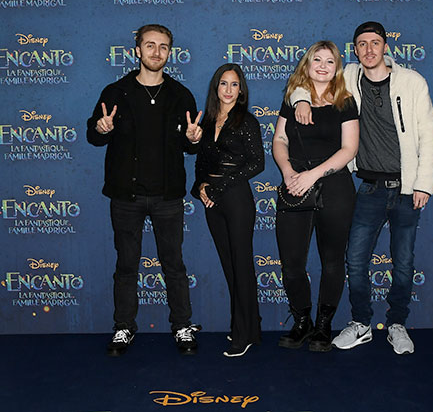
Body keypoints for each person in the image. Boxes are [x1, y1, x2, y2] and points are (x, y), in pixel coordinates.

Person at [291, 22, 433, 354]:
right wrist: (301, 100)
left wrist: (424, 184)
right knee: (355, 261)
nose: (369, 49)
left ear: (386, 46)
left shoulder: (412, 82)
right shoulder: (348, 77)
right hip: (369, 188)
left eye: (375, 43)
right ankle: (361, 323)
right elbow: (310, 80)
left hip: (407, 188)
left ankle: (397, 324)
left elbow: (429, 136)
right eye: (362, 44)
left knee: (403, 263)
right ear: (355, 50)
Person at [86, 24, 203, 356]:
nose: (156, 52)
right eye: (150, 45)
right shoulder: (116, 92)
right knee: (126, 265)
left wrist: (194, 140)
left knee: (174, 265)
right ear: (137, 50)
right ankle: (123, 327)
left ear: (170, 53)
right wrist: (101, 127)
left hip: (168, 197)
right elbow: (93, 135)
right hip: (126, 196)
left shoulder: (181, 95)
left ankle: (182, 326)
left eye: (163, 46)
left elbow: (191, 145)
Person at [272, 41, 359, 352]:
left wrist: (313, 175)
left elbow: (349, 149)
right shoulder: (292, 99)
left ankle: (323, 325)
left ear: (337, 68)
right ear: (307, 65)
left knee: (332, 261)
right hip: (295, 185)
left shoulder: (345, 101)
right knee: (291, 262)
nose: (323, 66)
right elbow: (279, 139)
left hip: (334, 186)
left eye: (330, 61)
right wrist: (287, 172)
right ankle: (302, 321)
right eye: (317, 60)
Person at [192, 63, 264, 358]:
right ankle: (249, 327)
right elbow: (201, 162)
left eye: (235, 84)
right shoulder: (208, 121)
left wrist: (219, 187)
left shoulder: (247, 121)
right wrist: (200, 186)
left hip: (236, 199)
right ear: (216, 87)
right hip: (212, 201)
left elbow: (257, 163)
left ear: (241, 90)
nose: (229, 89)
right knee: (228, 264)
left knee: (242, 264)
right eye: (224, 83)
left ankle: (243, 333)